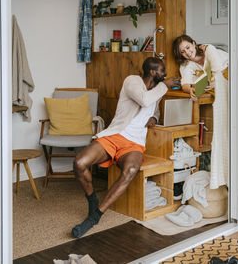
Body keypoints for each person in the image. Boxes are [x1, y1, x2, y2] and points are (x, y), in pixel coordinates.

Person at [72, 57, 179, 238]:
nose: (165, 74)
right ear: (153, 72)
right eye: (162, 70)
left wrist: (154, 118)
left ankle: (95, 216)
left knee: (130, 171)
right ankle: (92, 199)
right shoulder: (132, 81)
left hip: (135, 143)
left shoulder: (156, 91)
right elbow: (145, 100)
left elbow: (154, 109)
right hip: (115, 135)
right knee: (79, 163)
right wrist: (165, 86)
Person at [172, 34, 229, 189]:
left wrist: (212, 82)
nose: (187, 53)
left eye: (188, 47)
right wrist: (190, 88)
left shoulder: (208, 49)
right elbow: (185, 83)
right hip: (215, 83)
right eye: (182, 52)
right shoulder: (186, 65)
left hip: (228, 71)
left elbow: (218, 70)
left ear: (194, 43)